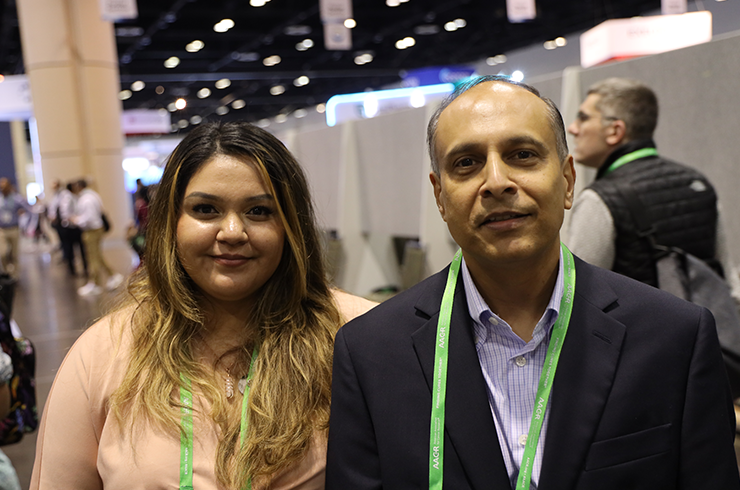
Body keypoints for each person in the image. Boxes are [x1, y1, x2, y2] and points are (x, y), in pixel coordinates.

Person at [325, 76, 740, 489]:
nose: (496, 182)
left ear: (568, 180)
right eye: (466, 163)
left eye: (522, 155)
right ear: (439, 197)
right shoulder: (370, 353)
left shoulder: (675, 339)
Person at [30, 121, 376, 489]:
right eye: (206, 209)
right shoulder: (104, 353)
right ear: (171, 222)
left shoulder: (358, 336)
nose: (231, 232)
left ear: (292, 224)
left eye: (259, 211)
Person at [566, 77, 740, 296]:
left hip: (640, 330)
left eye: (583, 118)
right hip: (707, 328)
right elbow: (728, 283)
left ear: (614, 131)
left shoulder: (599, 199)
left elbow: (578, 297)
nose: (573, 128)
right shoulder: (698, 183)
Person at [71, 179, 123, 295]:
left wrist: (76, 220)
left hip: (92, 230)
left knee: (93, 257)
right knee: (96, 256)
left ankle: (96, 282)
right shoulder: (93, 196)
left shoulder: (86, 199)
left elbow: (89, 218)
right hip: (95, 229)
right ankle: (110, 276)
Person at [0, 178, 30, 277]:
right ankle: (6, 272)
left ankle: (14, 275)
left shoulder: (16, 198)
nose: (2, 188)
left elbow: (29, 210)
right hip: (2, 230)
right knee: (3, 253)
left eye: (4, 186)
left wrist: (26, 223)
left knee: (14, 254)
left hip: (14, 229)